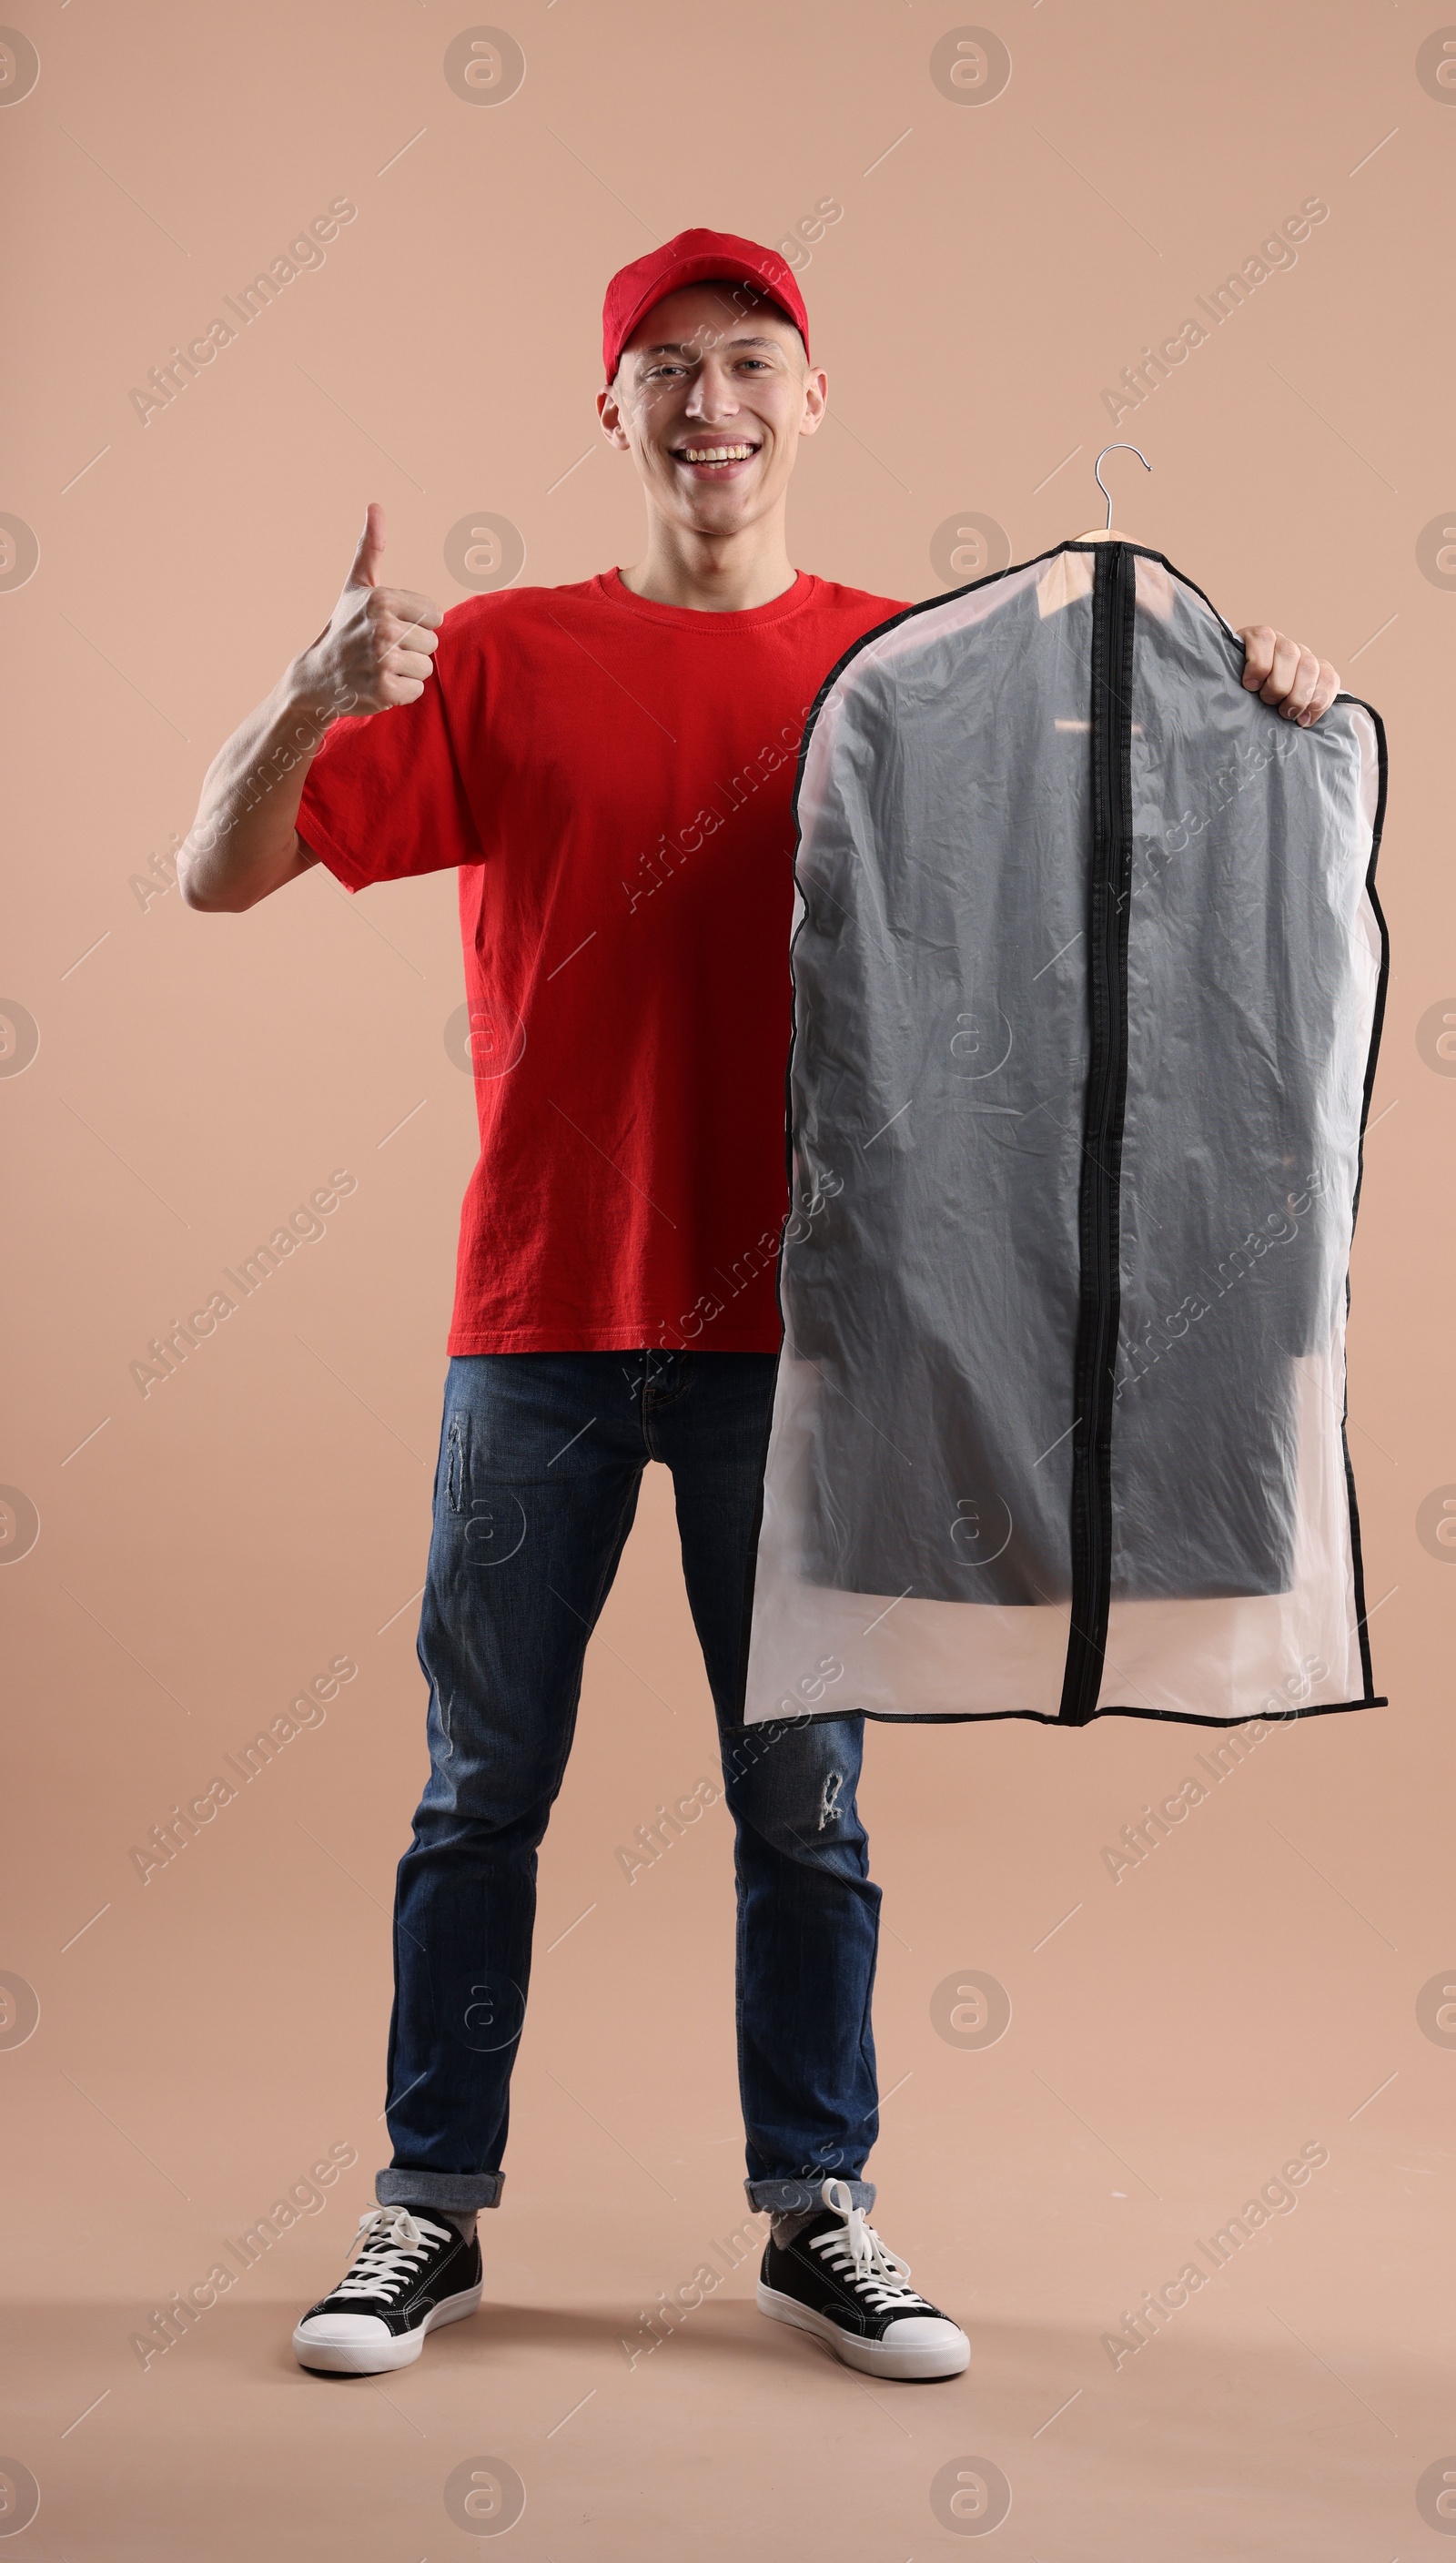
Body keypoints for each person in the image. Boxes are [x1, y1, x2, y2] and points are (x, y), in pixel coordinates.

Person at [179, 228, 1343, 2384]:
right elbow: (214, 867)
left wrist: (1253, 697)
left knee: (801, 1803)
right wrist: (304, 695)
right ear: (606, 413)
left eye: (749, 363)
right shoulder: (506, 660)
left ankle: (817, 2208)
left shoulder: (911, 675)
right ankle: (422, 2210)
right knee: (477, 1790)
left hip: (812, 1354)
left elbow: (1139, 857)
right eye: (664, 368)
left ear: (813, 401)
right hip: (532, 1324)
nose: (707, 401)